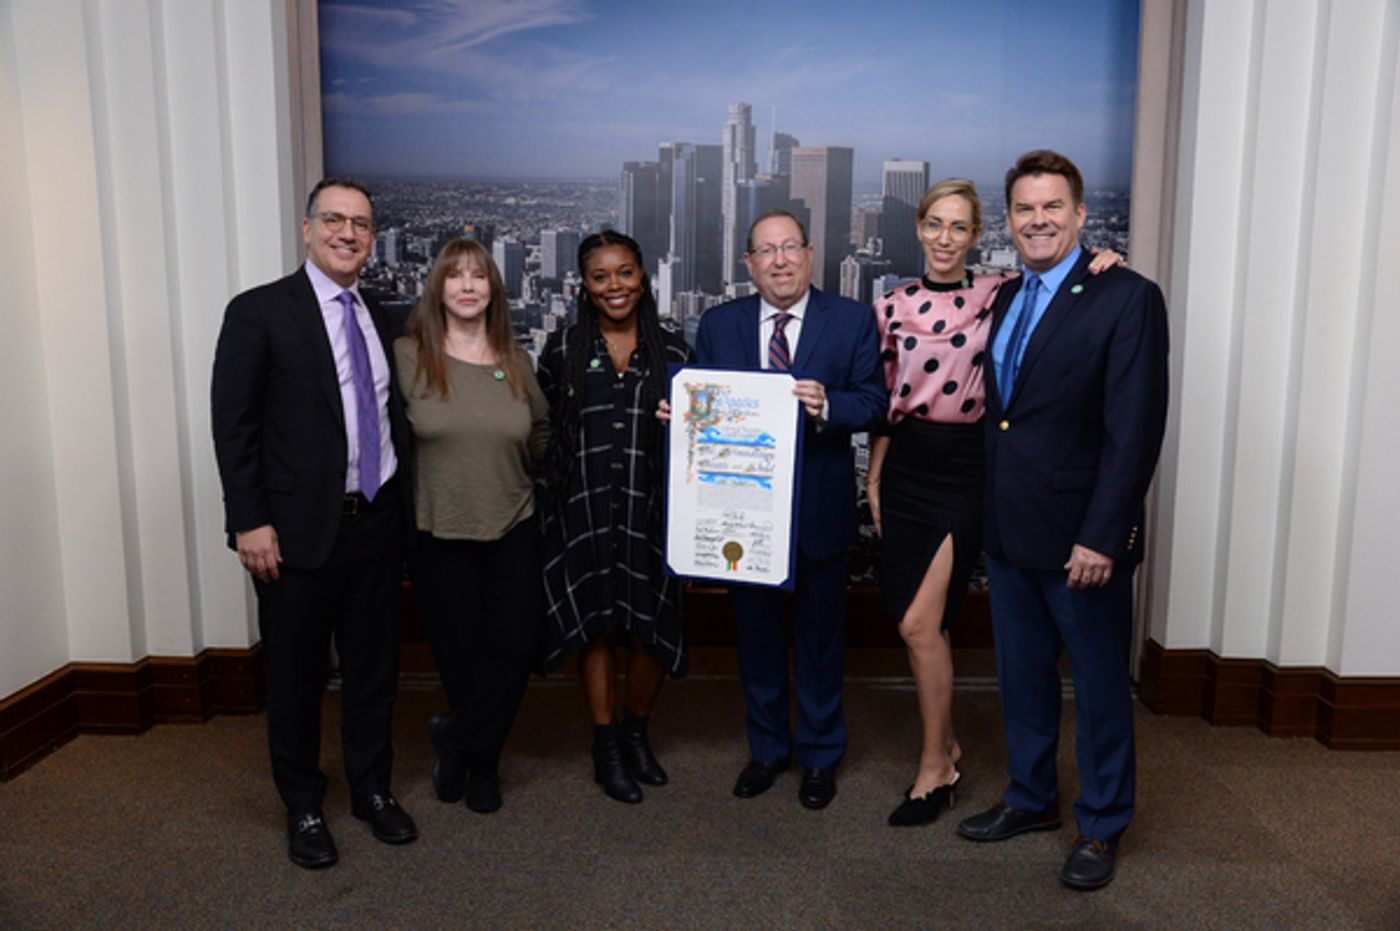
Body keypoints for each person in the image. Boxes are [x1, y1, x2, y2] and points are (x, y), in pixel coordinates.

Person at [868, 179, 1121, 827]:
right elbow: (885, 400)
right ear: (919, 229)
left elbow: (1061, 277)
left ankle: (936, 765)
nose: (945, 238)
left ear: (978, 234)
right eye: (935, 224)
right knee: (920, 621)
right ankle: (945, 740)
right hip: (905, 469)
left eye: (959, 227)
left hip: (969, 470)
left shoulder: (1000, 292)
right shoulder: (889, 303)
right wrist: (873, 478)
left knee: (920, 623)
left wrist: (1102, 260)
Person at [954, 151, 1169, 891]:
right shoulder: (1008, 294)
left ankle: (1103, 824)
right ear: (1008, 219)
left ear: (1080, 214)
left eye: (1053, 207)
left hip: (1084, 539)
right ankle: (1031, 797)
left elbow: (1134, 430)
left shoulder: (1127, 295)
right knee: (1022, 679)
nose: (1038, 220)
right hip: (1011, 531)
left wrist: (1104, 535)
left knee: (1102, 686)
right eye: (1024, 208)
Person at [211, 178, 417, 869]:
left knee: (373, 671)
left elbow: (390, 418)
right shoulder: (260, 312)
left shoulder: (381, 315)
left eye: (361, 222)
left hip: (376, 524)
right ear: (307, 229)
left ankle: (372, 790)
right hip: (294, 533)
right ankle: (302, 803)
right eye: (334, 219)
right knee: (297, 677)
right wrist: (249, 521)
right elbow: (233, 425)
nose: (348, 232)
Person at [695, 210, 887, 810]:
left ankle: (821, 755)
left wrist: (828, 404)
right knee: (755, 638)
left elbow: (874, 403)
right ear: (748, 263)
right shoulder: (719, 324)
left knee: (821, 638)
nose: (779, 260)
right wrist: (684, 413)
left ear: (809, 253)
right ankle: (768, 749)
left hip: (819, 504)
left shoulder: (852, 319)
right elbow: (704, 406)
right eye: (765, 251)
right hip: (742, 512)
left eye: (789, 248)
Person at [536, 230, 692, 804]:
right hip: (584, 509)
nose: (614, 286)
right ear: (585, 285)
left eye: (624, 272)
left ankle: (635, 732)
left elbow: (700, 436)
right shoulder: (564, 347)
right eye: (600, 276)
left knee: (650, 630)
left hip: (651, 509)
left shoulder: (673, 351)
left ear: (643, 275)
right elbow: (544, 429)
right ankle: (606, 744)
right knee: (596, 626)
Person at [394, 239, 548, 815]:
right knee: (459, 656)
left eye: (478, 276)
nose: (466, 285)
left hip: (513, 523)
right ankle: (483, 764)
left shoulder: (517, 362)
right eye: (454, 275)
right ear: (437, 287)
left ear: (493, 290)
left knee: (514, 645)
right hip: (439, 530)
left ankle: (457, 739)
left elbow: (541, 434)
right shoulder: (407, 356)